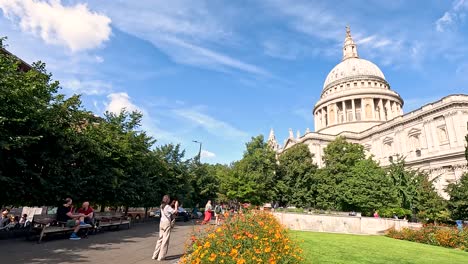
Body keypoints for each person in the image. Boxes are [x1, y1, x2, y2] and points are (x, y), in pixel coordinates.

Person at [152, 195, 178, 261]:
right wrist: (176, 206)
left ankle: (155, 255)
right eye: (169, 199)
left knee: (160, 239)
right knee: (165, 240)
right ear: (168, 200)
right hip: (166, 223)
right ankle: (161, 257)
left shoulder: (162, 206)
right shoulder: (167, 206)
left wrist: (171, 204)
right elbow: (175, 212)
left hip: (161, 223)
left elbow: (167, 211)